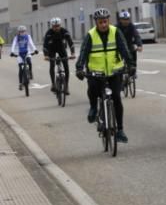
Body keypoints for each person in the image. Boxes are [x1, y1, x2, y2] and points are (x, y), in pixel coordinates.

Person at [75, 8, 132, 143]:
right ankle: (94, 107)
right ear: (96, 23)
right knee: (93, 89)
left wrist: (131, 65)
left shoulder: (115, 32)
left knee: (117, 98)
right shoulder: (90, 35)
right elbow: (83, 53)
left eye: (105, 21)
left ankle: (120, 130)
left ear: (108, 21)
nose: (103, 25)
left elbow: (124, 49)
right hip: (96, 72)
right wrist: (79, 68)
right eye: (100, 22)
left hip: (114, 71)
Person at [43, 17, 75, 94]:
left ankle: (66, 86)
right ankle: (53, 84)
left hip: (62, 49)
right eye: (54, 26)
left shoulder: (64, 31)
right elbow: (45, 46)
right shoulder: (49, 33)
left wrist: (73, 53)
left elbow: (70, 42)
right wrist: (46, 55)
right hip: (52, 50)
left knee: (66, 66)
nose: (56, 28)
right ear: (52, 26)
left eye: (58, 26)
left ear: (60, 25)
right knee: (52, 65)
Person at [116, 10, 142, 76]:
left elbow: (136, 35)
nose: (126, 21)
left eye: (127, 19)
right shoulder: (116, 27)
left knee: (133, 52)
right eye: (124, 19)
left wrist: (139, 45)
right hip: (119, 46)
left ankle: (133, 70)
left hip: (128, 44)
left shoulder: (131, 26)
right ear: (120, 20)